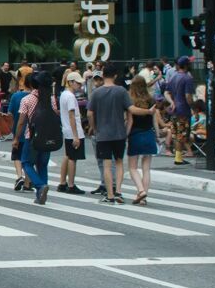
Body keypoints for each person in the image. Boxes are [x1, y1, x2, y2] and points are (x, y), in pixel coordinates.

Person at [87, 68, 131, 204]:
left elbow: (89, 113)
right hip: (119, 132)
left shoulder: (96, 93)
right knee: (118, 162)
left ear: (103, 75)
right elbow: (130, 110)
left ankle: (110, 195)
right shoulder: (122, 91)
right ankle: (118, 191)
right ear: (115, 75)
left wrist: (94, 128)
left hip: (103, 133)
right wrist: (127, 129)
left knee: (106, 164)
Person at [18, 71, 61, 204]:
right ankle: (40, 195)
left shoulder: (26, 99)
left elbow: (21, 121)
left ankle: (39, 185)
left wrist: (15, 138)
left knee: (26, 162)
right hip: (47, 135)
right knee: (42, 165)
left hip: (31, 136)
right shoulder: (52, 99)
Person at [125, 76, 158, 205]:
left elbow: (130, 121)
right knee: (146, 168)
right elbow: (154, 120)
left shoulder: (131, 101)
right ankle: (143, 198)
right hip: (149, 134)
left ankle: (140, 190)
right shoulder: (151, 100)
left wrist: (126, 136)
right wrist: (158, 134)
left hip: (135, 135)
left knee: (133, 167)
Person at [57, 70, 88, 194]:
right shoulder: (70, 97)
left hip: (67, 129)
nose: (79, 86)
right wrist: (76, 136)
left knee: (68, 155)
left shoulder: (64, 94)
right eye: (77, 83)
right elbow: (72, 116)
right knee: (73, 158)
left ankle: (63, 182)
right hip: (73, 130)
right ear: (70, 82)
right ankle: (71, 184)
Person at [161, 57, 196, 165]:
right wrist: (194, 108)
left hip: (175, 110)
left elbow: (166, 92)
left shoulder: (173, 77)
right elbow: (188, 96)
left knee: (176, 134)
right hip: (183, 110)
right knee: (182, 134)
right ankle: (178, 158)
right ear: (186, 65)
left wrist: (172, 102)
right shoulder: (187, 78)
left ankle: (178, 156)